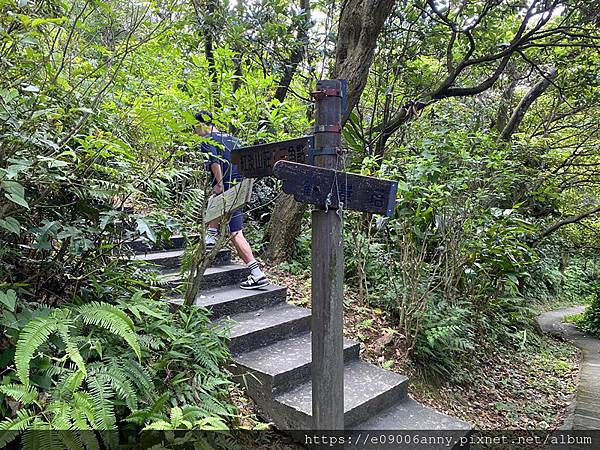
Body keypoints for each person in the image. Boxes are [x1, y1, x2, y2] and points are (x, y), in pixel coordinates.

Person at [195, 110, 269, 290]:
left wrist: (219, 184)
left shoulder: (207, 140)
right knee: (215, 205)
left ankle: (256, 273)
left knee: (236, 232)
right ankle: (211, 235)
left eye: (195, 127)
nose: (195, 132)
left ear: (201, 124)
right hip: (239, 187)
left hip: (228, 189)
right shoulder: (233, 140)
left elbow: (214, 162)